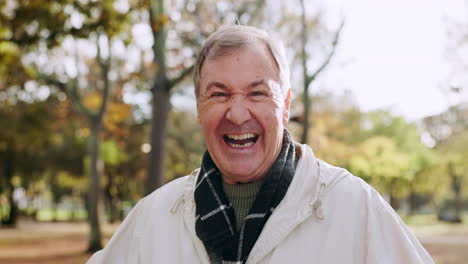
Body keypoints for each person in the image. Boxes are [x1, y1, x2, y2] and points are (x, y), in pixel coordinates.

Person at [87, 25, 433, 264]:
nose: (237, 113)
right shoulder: (153, 218)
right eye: (218, 94)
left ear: (285, 105)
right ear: (198, 108)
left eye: (257, 93)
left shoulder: (355, 208)